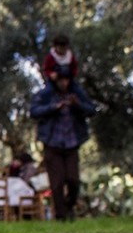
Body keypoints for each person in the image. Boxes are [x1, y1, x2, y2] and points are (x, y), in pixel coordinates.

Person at [30, 65, 97, 221]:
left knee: (73, 180)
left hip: (71, 143)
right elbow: (34, 111)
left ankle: (69, 206)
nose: (64, 83)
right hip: (52, 143)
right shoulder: (47, 94)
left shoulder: (77, 93)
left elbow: (92, 110)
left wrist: (77, 105)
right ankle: (60, 215)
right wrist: (54, 107)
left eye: (67, 80)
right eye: (61, 80)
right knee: (57, 182)